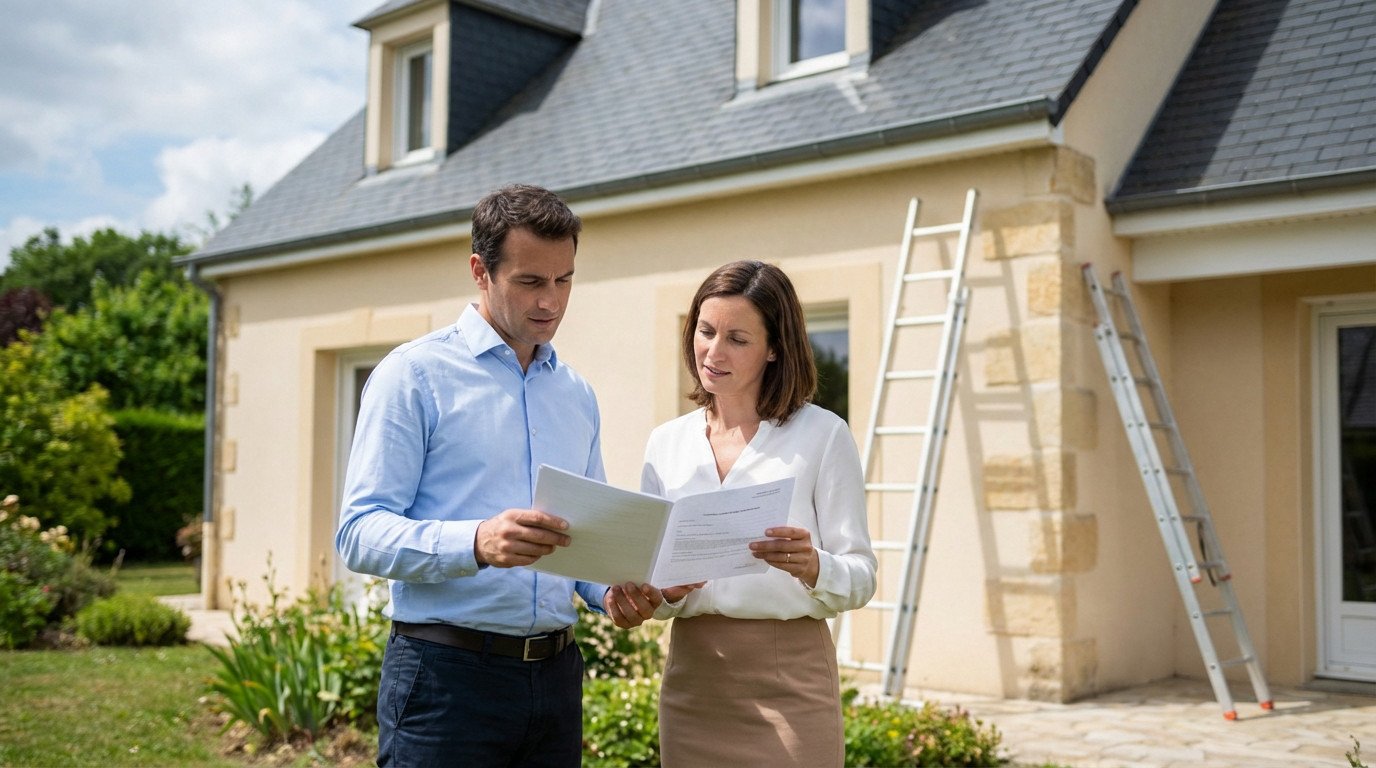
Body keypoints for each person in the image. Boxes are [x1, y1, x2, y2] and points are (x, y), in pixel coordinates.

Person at [335, 183, 662, 767]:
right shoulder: (412, 376)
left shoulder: (576, 393)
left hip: (557, 683)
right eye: (531, 282)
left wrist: (609, 592)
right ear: (480, 271)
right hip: (445, 683)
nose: (551, 302)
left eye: (564, 281)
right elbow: (358, 533)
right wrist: (476, 542)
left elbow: (580, 540)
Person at [641, 259, 877, 768]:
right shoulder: (666, 443)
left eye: (737, 339)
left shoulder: (823, 435)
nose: (713, 351)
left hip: (790, 681)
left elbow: (861, 576)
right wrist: (663, 592)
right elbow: (654, 586)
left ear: (774, 349)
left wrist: (813, 565)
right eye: (705, 331)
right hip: (693, 681)